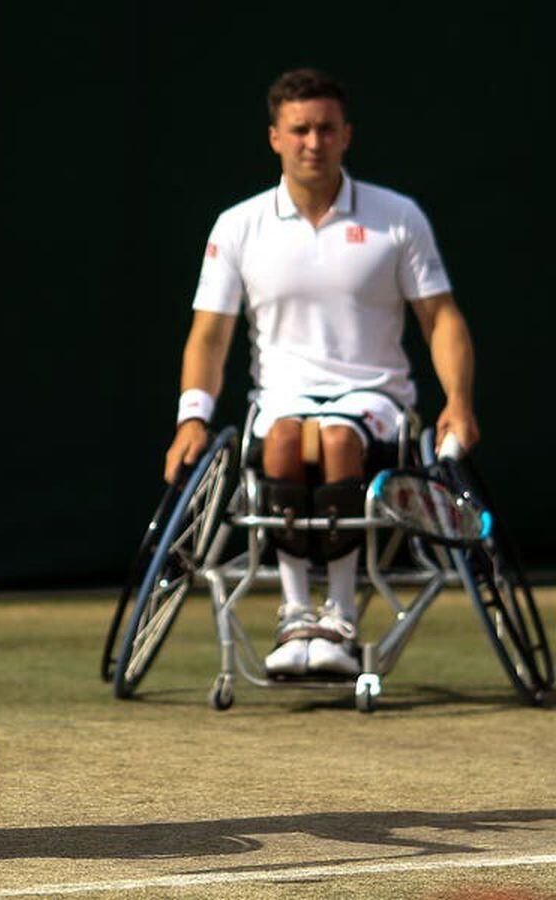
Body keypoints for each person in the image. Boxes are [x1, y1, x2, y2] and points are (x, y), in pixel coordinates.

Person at [163, 68, 478, 677]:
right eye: (300, 129)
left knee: (335, 437)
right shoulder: (238, 225)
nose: (314, 141)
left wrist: (459, 402)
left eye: (326, 129)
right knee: (286, 437)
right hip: (280, 399)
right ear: (276, 138)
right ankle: (294, 612)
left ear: (346, 136)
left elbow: (442, 318)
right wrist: (192, 417)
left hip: (374, 398)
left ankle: (337, 615)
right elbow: (210, 333)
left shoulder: (397, 217)